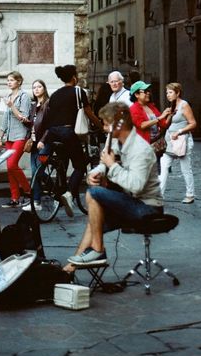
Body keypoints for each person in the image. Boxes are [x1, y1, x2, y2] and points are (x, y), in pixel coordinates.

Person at [66, 102, 164, 269]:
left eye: (105, 123)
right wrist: (95, 173)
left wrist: (112, 166)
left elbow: (136, 185)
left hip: (148, 208)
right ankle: (69, 270)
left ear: (118, 124)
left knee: (94, 193)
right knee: (94, 220)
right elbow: (105, 162)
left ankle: (98, 250)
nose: (104, 128)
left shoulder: (141, 149)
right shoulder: (118, 143)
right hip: (132, 203)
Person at [38, 64, 101, 217]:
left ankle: (57, 189)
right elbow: (89, 113)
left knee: (61, 161)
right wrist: (101, 125)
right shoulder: (78, 91)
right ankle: (68, 194)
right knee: (80, 165)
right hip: (68, 132)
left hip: (53, 133)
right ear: (74, 77)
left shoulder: (55, 94)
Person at [0, 71, 32, 208]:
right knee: (9, 168)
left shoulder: (24, 97)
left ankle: (29, 191)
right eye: (8, 80)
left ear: (19, 81)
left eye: (12, 80)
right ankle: (15, 198)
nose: (9, 82)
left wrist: (12, 106)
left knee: (12, 165)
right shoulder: (7, 97)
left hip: (20, 134)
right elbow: (5, 118)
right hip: (9, 137)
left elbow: (24, 117)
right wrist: (0, 136)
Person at [159, 82, 197, 204]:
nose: (168, 95)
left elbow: (193, 123)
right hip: (170, 141)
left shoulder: (184, 105)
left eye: (170, 92)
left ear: (177, 93)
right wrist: (167, 115)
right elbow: (167, 124)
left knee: (185, 168)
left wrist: (180, 131)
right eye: (167, 93)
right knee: (164, 166)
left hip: (182, 141)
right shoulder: (172, 106)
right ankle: (159, 194)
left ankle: (190, 194)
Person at [22, 79, 50, 213]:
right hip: (33, 142)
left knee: (36, 172)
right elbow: (34, 124)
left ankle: (37, 202)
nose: (36, 89)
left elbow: (50, 126)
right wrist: (26, 121)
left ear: (44, 88)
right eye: (34, 87)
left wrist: (43, 140)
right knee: (36, 172)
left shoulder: (48, 104)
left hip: (44, 143)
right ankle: (53, 187)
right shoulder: (34, 105)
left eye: (39, 86)